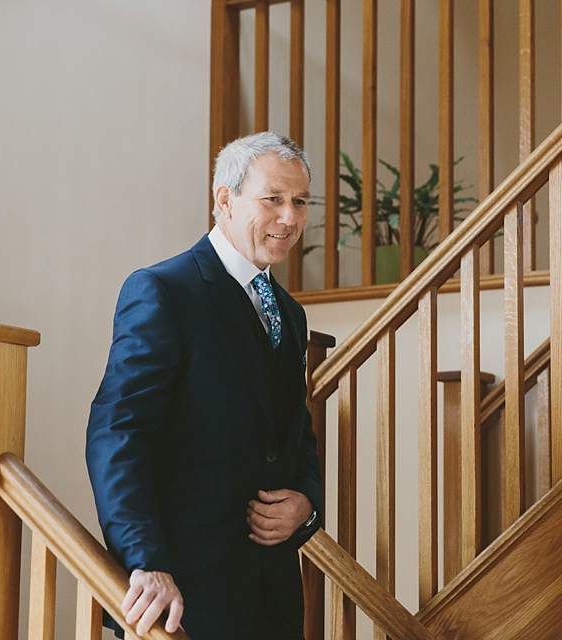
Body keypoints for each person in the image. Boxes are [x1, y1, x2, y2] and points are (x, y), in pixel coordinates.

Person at [85, 131, 323, 639]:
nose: (290, 217)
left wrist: (306, 503)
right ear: (224, 200)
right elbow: (117, 434)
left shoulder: (292, 315)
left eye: (299, 201)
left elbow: (295, 435)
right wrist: (145, 562)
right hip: (181, 594)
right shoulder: (163, 291)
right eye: (273, 199)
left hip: (273, 598)